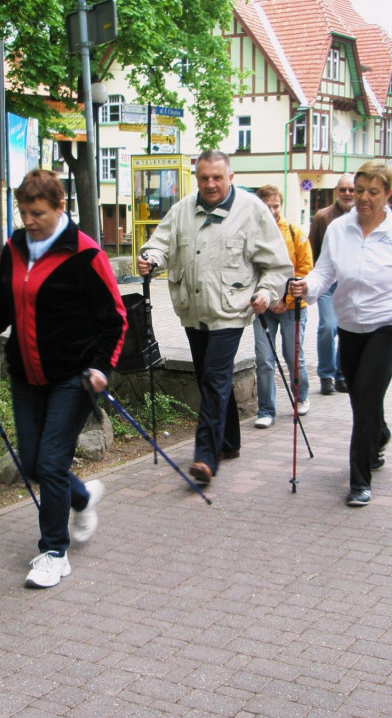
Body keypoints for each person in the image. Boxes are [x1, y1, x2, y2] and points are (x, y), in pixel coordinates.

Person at [0, 169, 127, 588]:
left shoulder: (84, 253)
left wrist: (102, 367)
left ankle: (54, 551)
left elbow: (115, 318)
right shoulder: (15, 248)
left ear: (59, 208)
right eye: (23, 212)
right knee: (32, 463)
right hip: (26, 374)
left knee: (51, 463)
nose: (28, 221)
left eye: (37, 213)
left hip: (75, 375)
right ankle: (83, 498)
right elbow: (0, 307)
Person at [137, 150, 292, 486]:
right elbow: (159, 244)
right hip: (192, 312)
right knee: (209, 379)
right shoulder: (182, 211)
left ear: (230, 177)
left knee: (215, 378)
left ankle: (205, 457)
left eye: (217, 177)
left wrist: (266, 293)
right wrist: (150, 257)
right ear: (196, 178)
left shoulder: (253, 212)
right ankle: (230, 442)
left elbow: (278, 266)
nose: (210, 184)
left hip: (232, 311)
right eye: (204, 177)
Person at [289, 160, 392, 507]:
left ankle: (359, 480)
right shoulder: (339, 229)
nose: (363, 198)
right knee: (361, 397)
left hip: (387, 324)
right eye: (359, 190)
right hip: (349, 325)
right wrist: (306, 286)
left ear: (387, 194)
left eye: (372, 192)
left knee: (365, 398)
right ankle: (379, 435)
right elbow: (324, 273)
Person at [250, 185, 313, 428]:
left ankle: (301, 396)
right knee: (264, 358)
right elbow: (251, 271)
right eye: (267, 206)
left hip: (293, 308)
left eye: (276, 206)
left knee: (292, 355)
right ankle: (266, 409)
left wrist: (284, 300)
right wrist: (268, 298)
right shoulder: (254, 234)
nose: (272, 211)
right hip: (264, 306)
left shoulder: (296, 233)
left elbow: (304, 270)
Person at [308, 174, 355, 395]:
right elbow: (312, 251)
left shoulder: (360, 218)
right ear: (337, 191)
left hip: (349, 284)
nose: (348, 194)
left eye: (352, 190)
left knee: (346, 329)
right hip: (327, 283)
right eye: (343, 189)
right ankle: (326, 375)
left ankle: (342, 374)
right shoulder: (323, 217)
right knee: (327, 326)